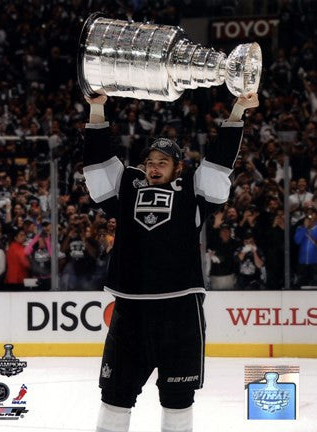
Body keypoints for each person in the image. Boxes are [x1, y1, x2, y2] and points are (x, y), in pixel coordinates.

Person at [81, 91, 259, 432]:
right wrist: (97, 107)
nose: (153, 167)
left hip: (180, 310)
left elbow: (220, 160)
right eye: (150, 161)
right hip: (130, 309)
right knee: (114, 395)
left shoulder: (193, 189)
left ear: (178, 167)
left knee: (178, 400)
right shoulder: (127, 187)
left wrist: (238, 111)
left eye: (163, 162)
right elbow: (97, 162)